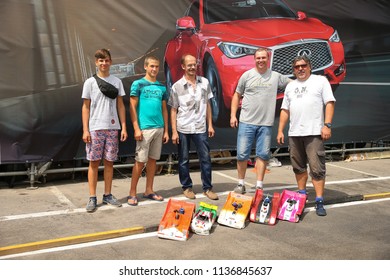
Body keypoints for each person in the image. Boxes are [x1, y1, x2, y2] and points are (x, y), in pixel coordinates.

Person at [276, 55, 335, 216]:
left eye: (303, 66)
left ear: (309, 66)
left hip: (314, 133)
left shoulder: (320, 81)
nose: (300, 69)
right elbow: (285, 110)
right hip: (294, 134)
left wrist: (327, 125)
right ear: (293, 70)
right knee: (298, 167)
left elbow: (329, 102)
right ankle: (302, 196)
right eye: (297, 67)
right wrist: (280, 130)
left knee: (317, 169)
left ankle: (319, 201)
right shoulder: (290, 86)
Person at [230, 48, 290, 194]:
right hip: (246, 122)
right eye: (258, 58)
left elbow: (294, 84)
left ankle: (259, 185)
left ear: (268, 58)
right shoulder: (247, 75)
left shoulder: (276, 76)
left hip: (265, 124)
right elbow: (237, 95)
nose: (261, 60)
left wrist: (311, 81)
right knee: (242, 155)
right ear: (254, 59)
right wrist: (233, 115)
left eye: (263, 58)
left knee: (263, 155)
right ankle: (240, 184)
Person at [82, 48, 128, 212]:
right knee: (93, 163)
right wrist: (85, 130)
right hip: (95, 128)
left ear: (110, 62)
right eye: (101, 60)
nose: (104, 63)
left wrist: (123, 126)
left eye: (106, 60)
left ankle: (107, 195)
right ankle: (92, 197)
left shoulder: (117, 81)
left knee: (109, 162)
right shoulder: (89, 83)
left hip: (113, 127)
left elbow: (120, 105)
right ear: (96, 62)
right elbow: (85, 107)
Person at [168, 54, 218, 200]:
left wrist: (210, 125)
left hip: (201, 127)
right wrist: (174, 132)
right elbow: (173, 110)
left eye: (194, 64)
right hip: (183, 128)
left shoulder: (205, 82)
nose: (192, 67)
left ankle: (207, 188)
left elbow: (208, 105)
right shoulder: (177, 86)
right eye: (188, 65)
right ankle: (187, 187)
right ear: (183, 66)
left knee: (205, 158)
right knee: (183, 159)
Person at [127, 55, 169, 206]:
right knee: (140, 161)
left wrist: (166, 130)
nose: (154, 69)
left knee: (153, 161)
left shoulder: (161, 87)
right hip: (144, 130)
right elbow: (132, 108)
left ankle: (149, 190)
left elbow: (165, 109)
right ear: (145, 67)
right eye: (151, 66)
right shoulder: (138, 84)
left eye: (156, 66)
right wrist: (136, 128)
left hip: (159, 129)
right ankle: (132, 193)